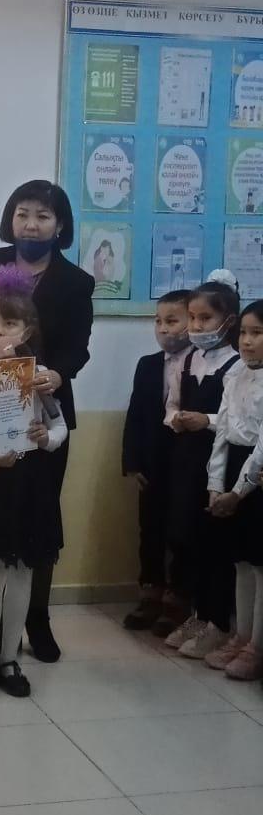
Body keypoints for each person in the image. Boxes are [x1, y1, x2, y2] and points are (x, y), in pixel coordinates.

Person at [0, 180, 93, 661]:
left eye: (43, 216)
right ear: (10, 219)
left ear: (60, 225)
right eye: (23, 214)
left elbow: (78, 348)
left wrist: (56, 375)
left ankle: (37, 621)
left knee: (37, 523)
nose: (31, 224)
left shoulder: (76, 282)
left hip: (41, 412)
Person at [0, 266, 68, 697]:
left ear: (27, 330)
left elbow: (59, 426)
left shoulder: (39, 376)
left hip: (30, 483)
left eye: (9, 323)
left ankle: (9, 659)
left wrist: (46, 438)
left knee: (22, 574)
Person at [163, 273, 241, 660]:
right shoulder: (189, 359)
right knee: (189, 539)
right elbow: (172, 405)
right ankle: (197, 613)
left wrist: (205, 421)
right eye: (192, 317)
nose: (196, 326)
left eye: (205, 318)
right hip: (186, 459)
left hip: (218, 460)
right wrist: (176, 418)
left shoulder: (237, 365)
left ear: (228, 321)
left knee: (216, 545)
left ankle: (218, 621)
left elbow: (233, 419)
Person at [122, 290, 191, 633]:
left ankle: (178, 598)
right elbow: (135, 415)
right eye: (158, 321)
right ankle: (150, 591)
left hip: (186, 463)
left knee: (180, 532)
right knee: (150, 529)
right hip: (152, 462)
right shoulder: (148, 365)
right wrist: (133, 462)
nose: (163, 329)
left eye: (172, 321)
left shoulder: (202, 365)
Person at [204, 301, 263, 680]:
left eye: (257, 333)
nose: (247, 341)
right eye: (243, 332)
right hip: (234, 471)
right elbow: (223, 431)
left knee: (259, 565)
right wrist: (215, 485)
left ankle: (257, 646)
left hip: (257, 476)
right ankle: (240, 636)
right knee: (239, 561)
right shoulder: (236, 373)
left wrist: (239, 491)